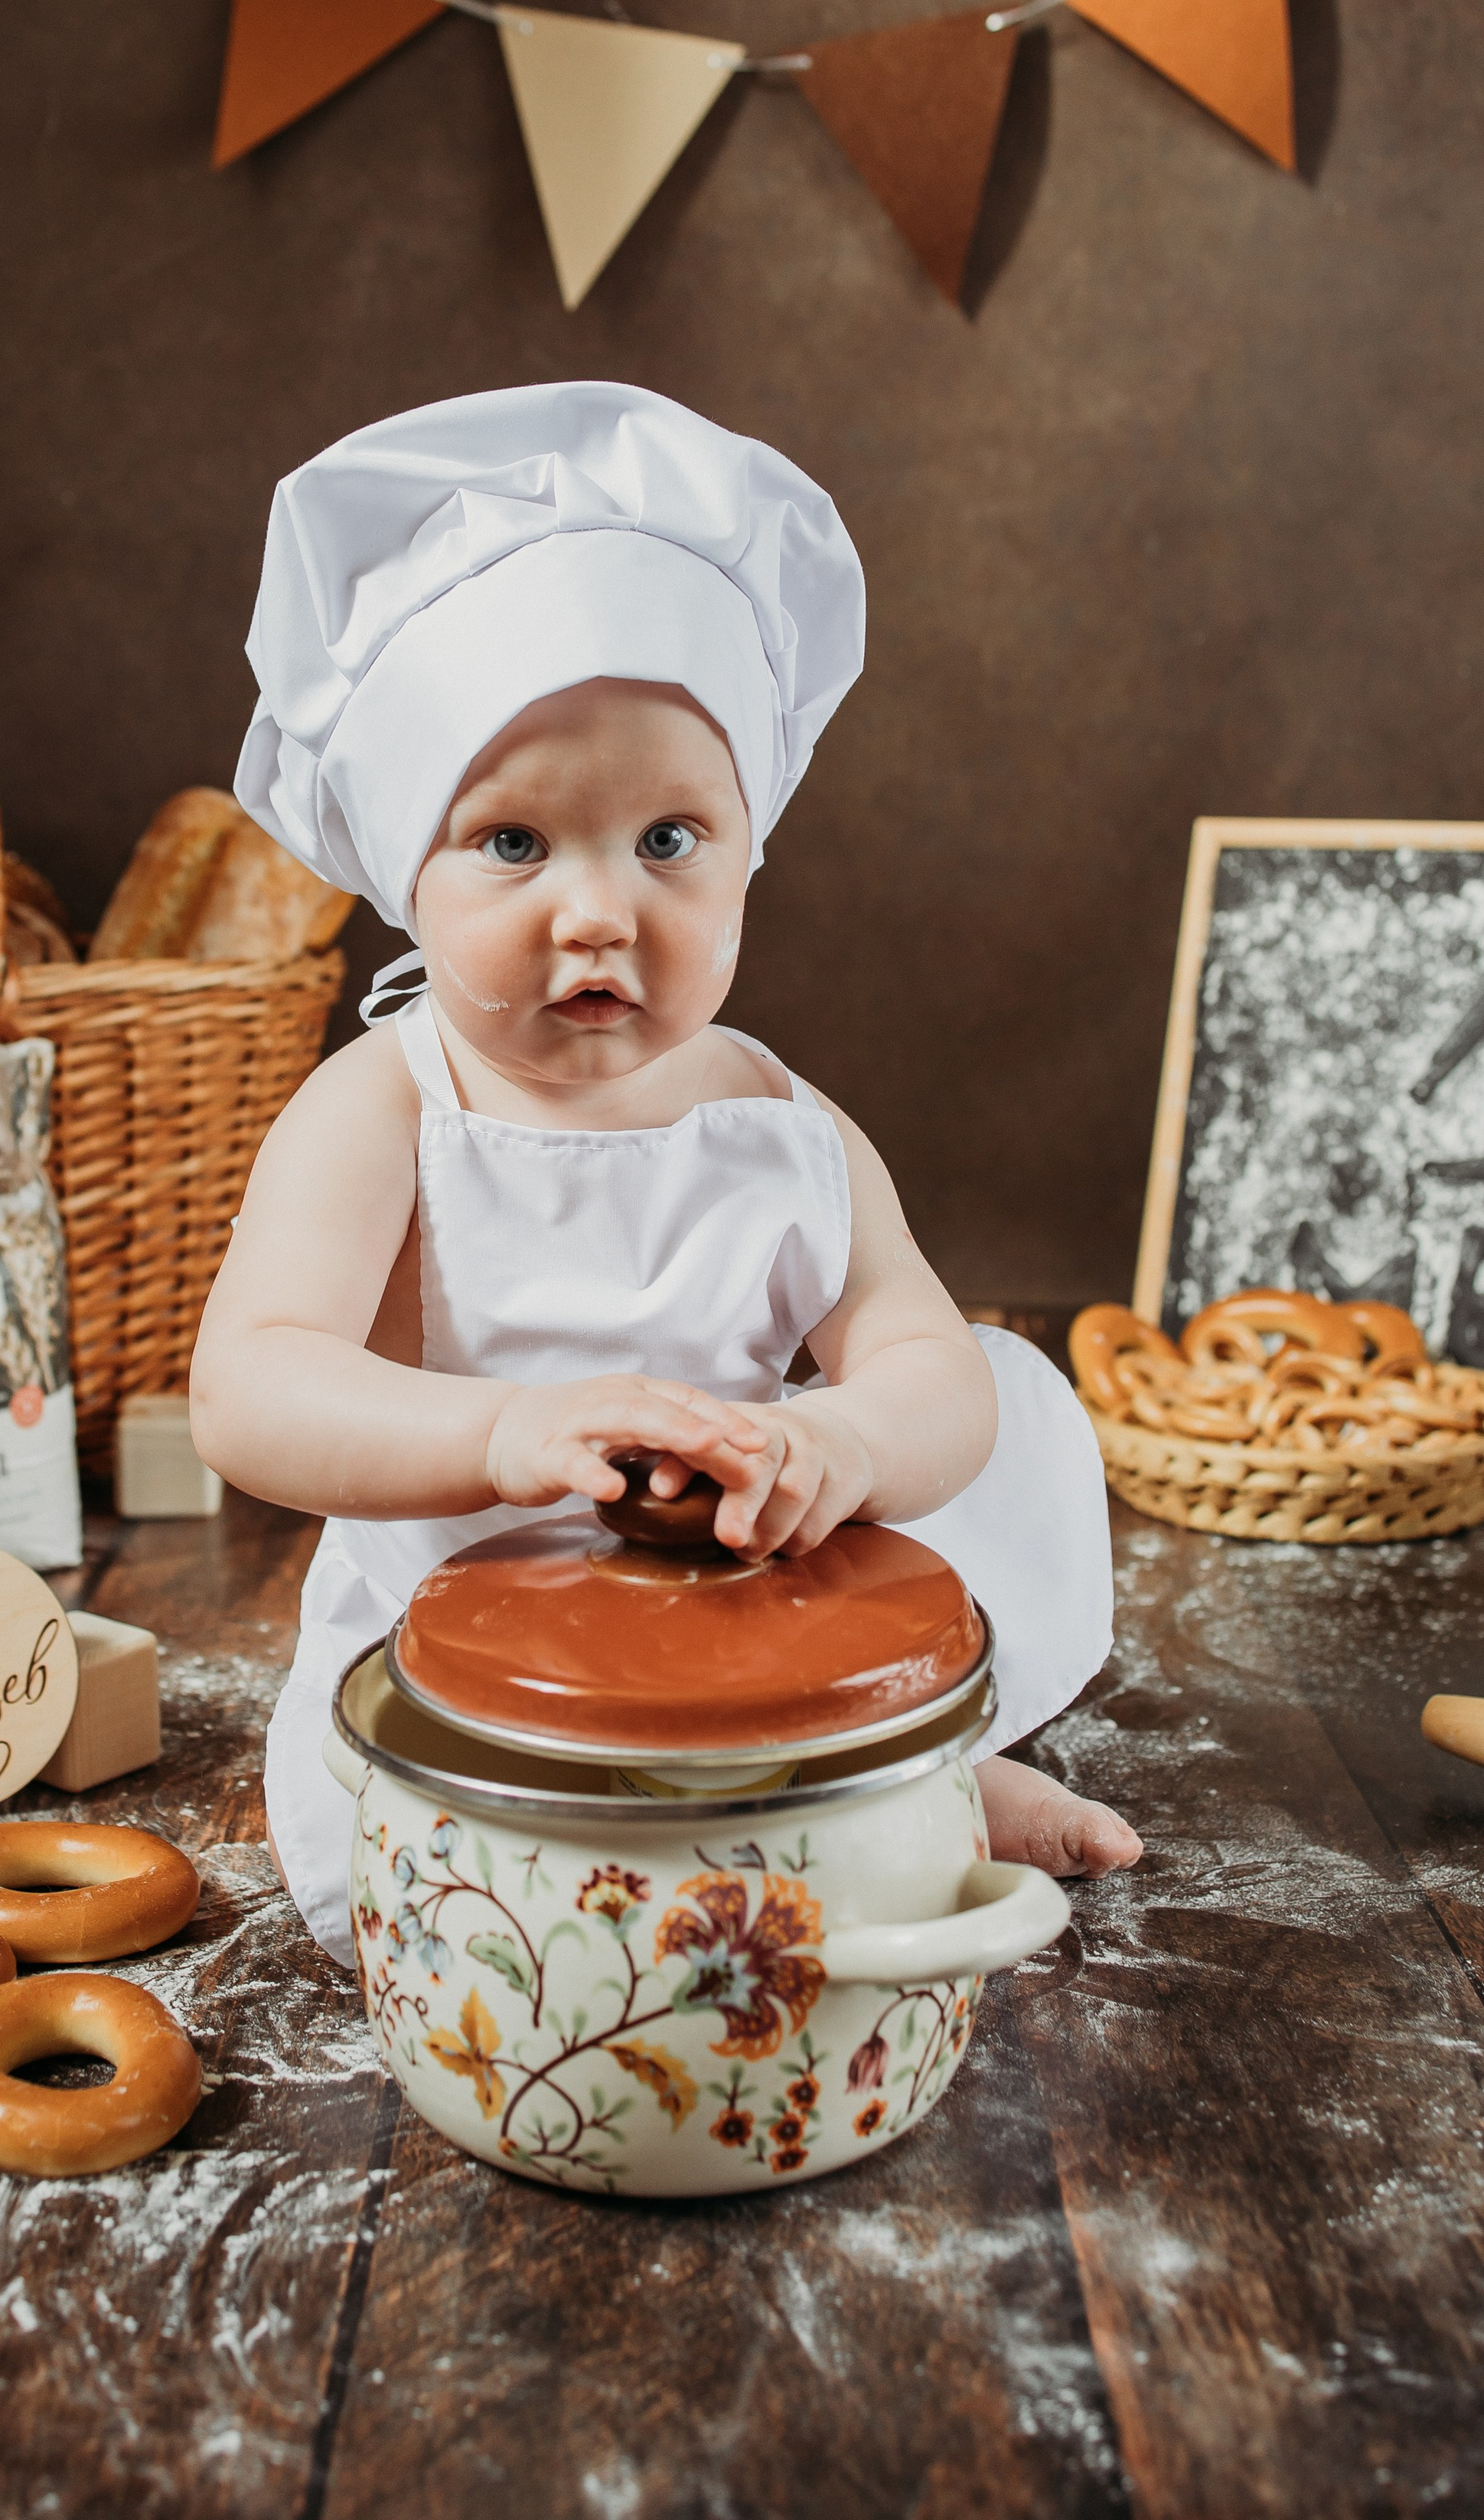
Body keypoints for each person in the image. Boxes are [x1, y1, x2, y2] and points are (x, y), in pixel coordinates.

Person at [192, 382, 1140, 1967]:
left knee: (1001, 1387)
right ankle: (738, 1867)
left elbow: (922, 1361)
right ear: (397, 867)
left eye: (668, 839)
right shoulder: (384, 1110)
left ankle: (911, 1786)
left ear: (749, 848)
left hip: (745, 1616)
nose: (597, 910)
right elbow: (248, 1386)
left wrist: (831, 1442)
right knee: (526, 1905)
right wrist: (502, 1433)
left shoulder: (779, 1123)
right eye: (511, 844)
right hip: (467, 1681)